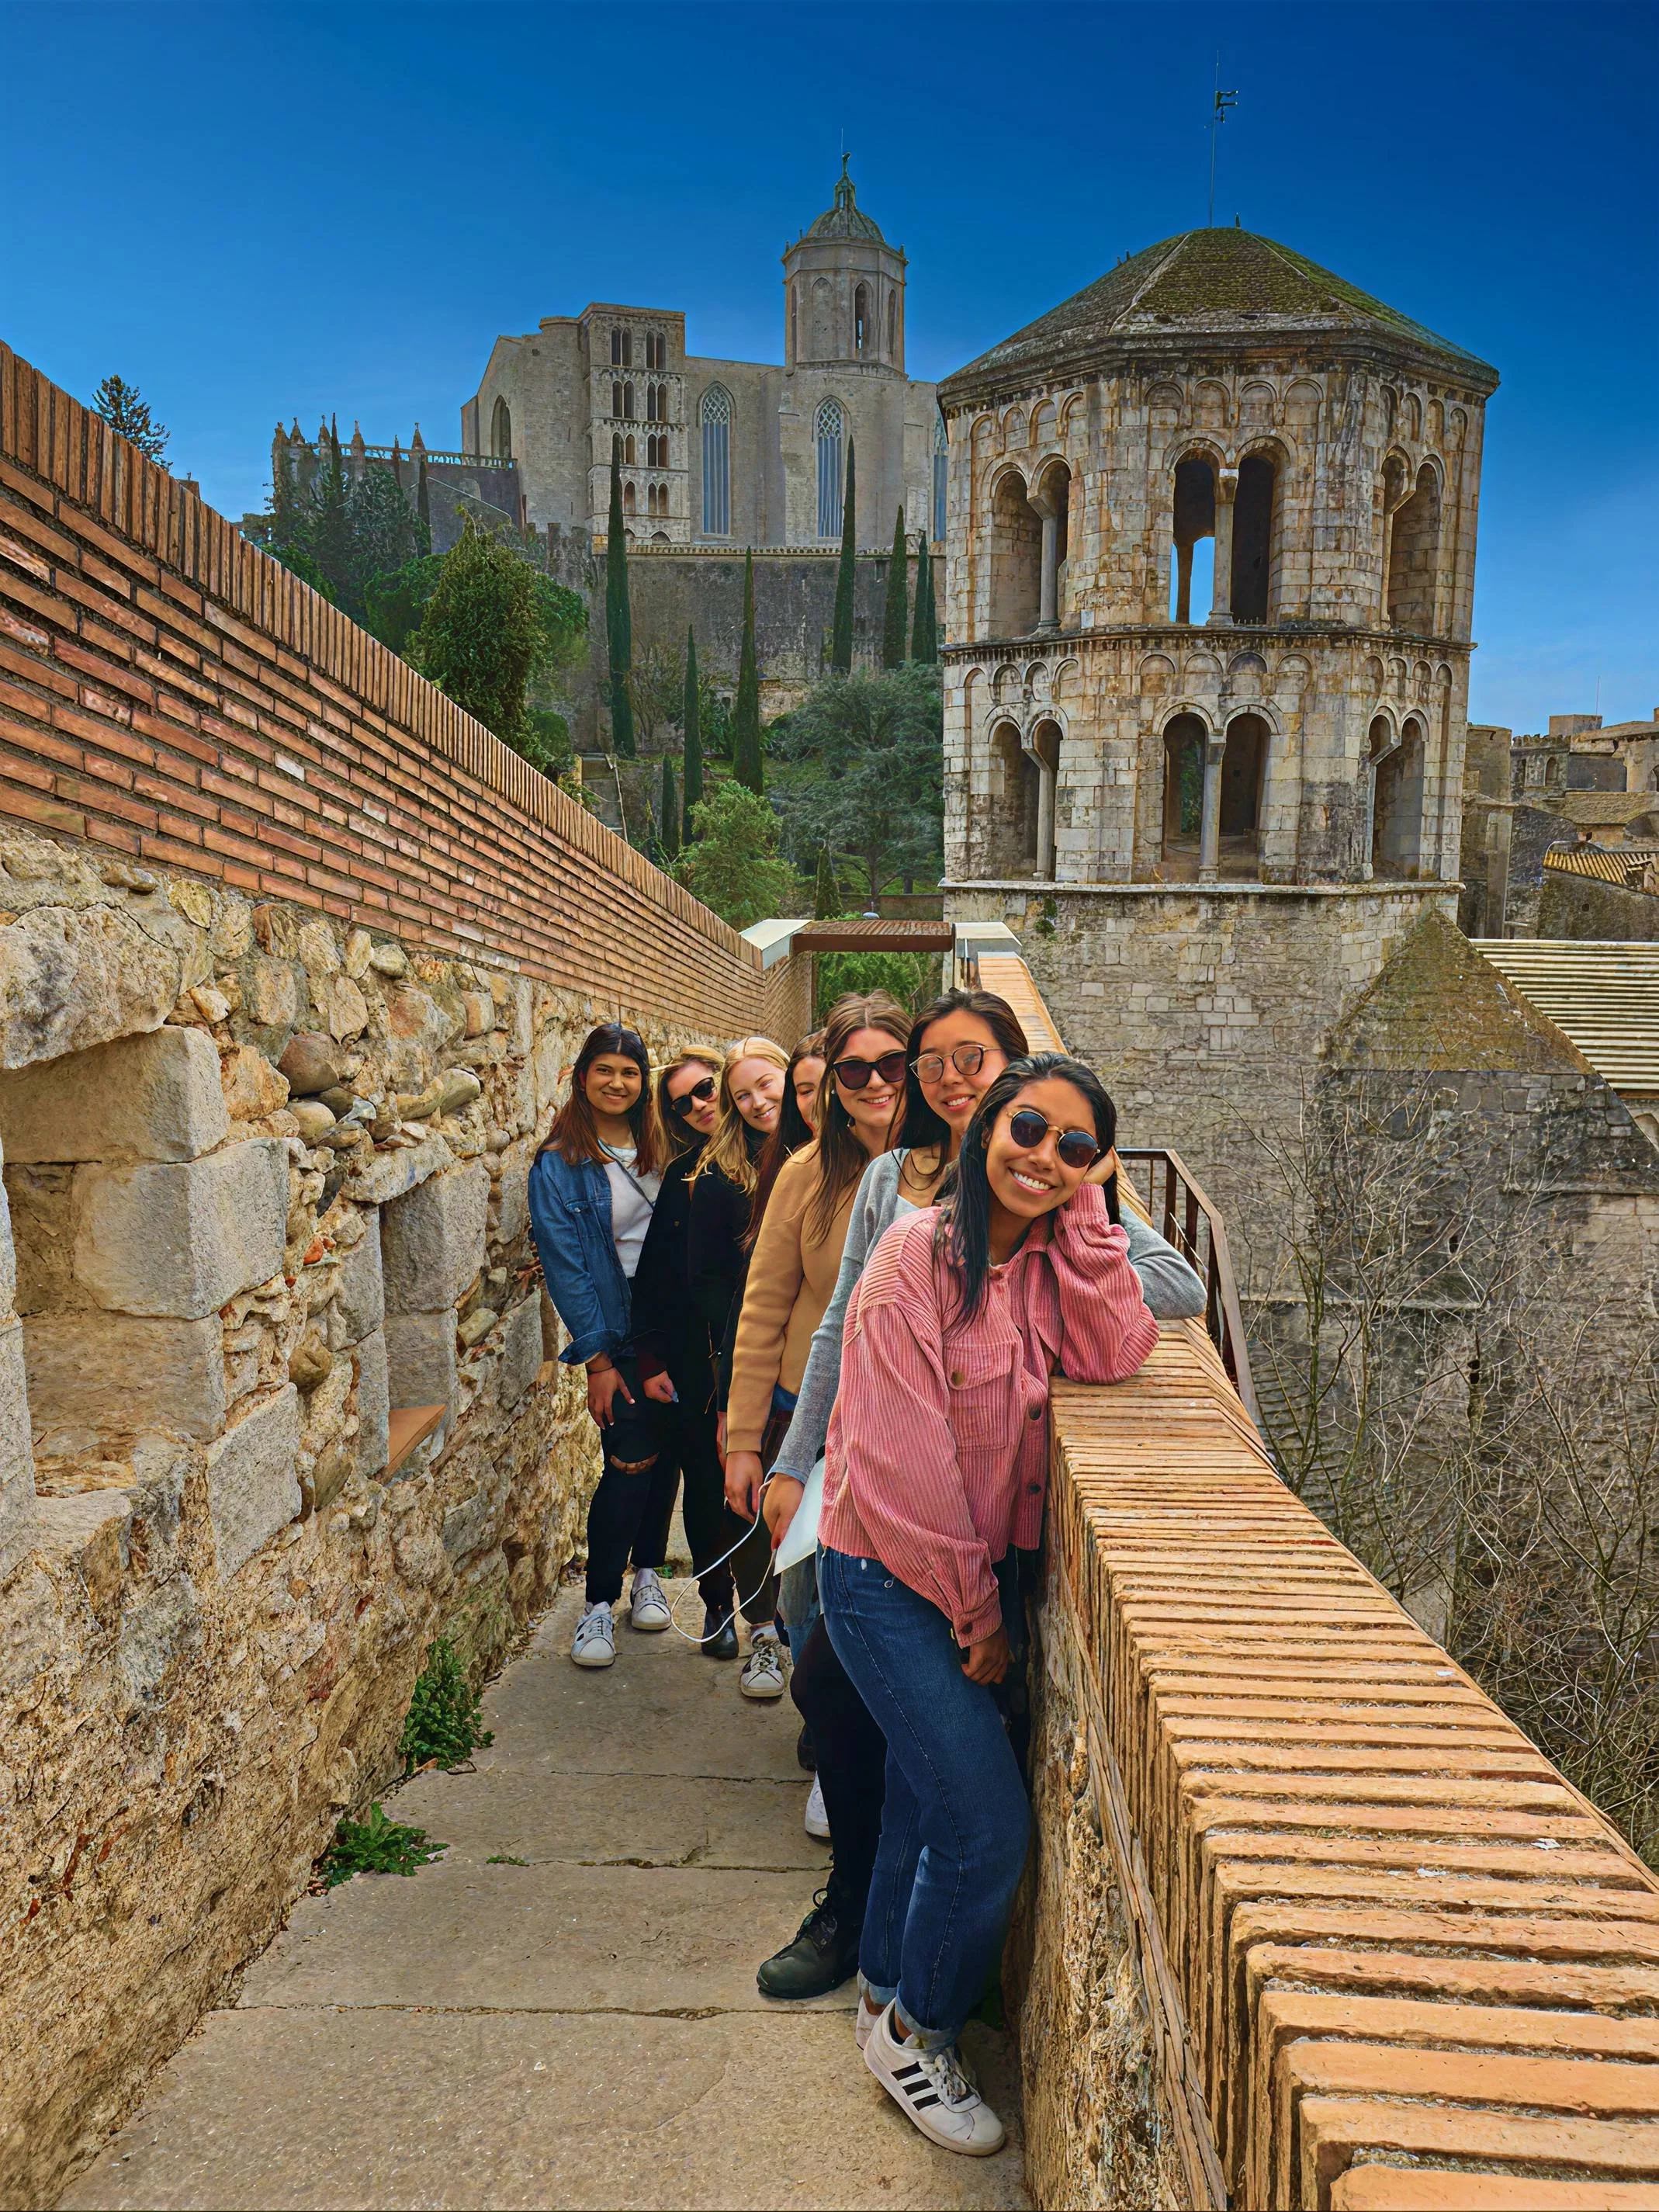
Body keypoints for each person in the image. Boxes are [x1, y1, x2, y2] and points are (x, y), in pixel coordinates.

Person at [753, 992, 1204, 2001]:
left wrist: (1076, 1210)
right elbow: (832, 1339)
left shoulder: (1048, 1221)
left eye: (975, 1060)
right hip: (887, 1519)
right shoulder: (901, 1207)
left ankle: (883, 1969)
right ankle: (876, 1947)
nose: (946, 1078)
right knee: (847, 1703)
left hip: (960, 1538)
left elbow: (1155, 1310)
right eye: (929, 1062)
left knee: (920, 1773)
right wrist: (787, 1459)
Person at [820, 1053, 1159, 2154]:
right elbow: (899, 1463)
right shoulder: (915, 1254)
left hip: (968, 1574)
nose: (1041, 1155)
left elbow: (1117, 1349)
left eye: (1072, 1144)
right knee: (982, 1821)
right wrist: (978, 1617)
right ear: (980, 1128)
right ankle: (917, 2032)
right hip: (886, 1577)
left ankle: (883, 1991)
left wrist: (1090, 1207)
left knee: (927, 1799)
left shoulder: (1052, 1258)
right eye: (1028, 1127)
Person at [723, 993, 909, 1705]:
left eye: (890, 1063)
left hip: (903, 1420)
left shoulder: (951, 1165)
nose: (874, 1082)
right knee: (801, 1591)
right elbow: (763, 1308)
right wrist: (745, 1442)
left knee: (876, 1597)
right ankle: (826, 1728)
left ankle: (852, 1737)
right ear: (833, 1081)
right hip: (809, 1409)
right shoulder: (805, 1174)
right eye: (853, 1069)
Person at [528, 1023, 674, 1671]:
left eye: (630, 1072)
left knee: (665, 1451)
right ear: (581, 1076)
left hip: (674, 1320)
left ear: (645, 1083)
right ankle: (597, 1603)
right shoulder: (559, 1162)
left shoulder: (664, 1146)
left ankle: (649, 1573)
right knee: (628, 1460)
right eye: (605, 1070)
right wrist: (597, 1361)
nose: (618, 1083)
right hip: (616, 1328)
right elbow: (566, 1267)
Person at [630, 1046, 747, 1661]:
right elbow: (653, 1282)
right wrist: (650, 1364)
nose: (702, 1105)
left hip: (778, 1353)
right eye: (685, 1102)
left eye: (707, 1088)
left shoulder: (791, 1160)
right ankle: (718, 1605)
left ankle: (776, 1623)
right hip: (699, 1365)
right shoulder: (684, 1178)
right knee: (707, 1487)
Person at [684, 1036, 792, 1695]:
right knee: (751, 1497)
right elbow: (706, 1279)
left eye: (767, 1084)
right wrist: (751, 1341)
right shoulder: (720, 1175)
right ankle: (764, 1630)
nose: (757, 1102)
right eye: (742, 1093)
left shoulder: (826, 1156)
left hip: (821, 1354)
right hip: (754, 1352)